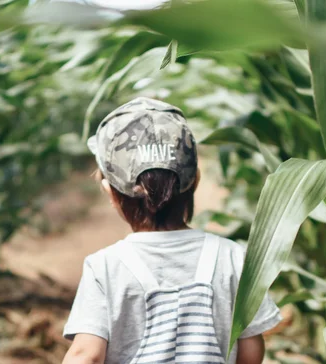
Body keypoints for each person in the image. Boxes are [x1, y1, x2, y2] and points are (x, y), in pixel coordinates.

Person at [61, 98, 282, 364]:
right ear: (195, 181)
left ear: (110, 193)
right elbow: (250, 351)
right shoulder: (234, 257)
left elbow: (86, 355)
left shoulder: (104, 267)